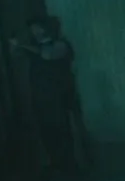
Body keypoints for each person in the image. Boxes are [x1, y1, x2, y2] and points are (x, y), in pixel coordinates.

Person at [9, 16, 85, 172]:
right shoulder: (33, 47)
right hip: (41, 97)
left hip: (61, 97)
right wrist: (15, 47)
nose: (35, 31)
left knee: (64, 130)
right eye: (33, 29)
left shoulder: (61, 44)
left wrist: (22, 46)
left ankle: (72, 164)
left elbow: (47, 55)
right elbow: (16, 57)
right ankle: (55, 163)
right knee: (47, 132)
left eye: (38, 27)